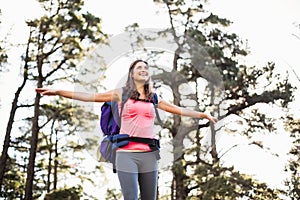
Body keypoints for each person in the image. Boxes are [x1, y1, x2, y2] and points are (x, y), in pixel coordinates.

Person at [35, 59, 218, 200]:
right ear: (131, 73)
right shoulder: (120, 93)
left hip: (149, 154)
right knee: (130, 197)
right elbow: (90, 96)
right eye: (139, 67)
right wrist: (58, 91)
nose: (143, 70)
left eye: (146, 68)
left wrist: (203, 115)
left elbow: (178, 110)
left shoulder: (153, 98)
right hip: (126, 153)